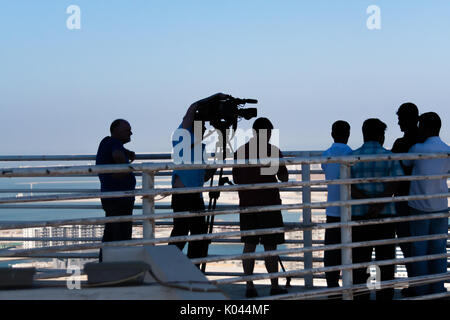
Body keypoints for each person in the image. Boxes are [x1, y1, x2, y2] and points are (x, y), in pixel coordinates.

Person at [232, 117, 289, 298]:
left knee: (249, 246)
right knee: (270, 246)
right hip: (269, 204)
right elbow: (284, 177)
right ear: (268, 133)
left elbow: (237, 179)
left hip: (247, 204)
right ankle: (274, 285)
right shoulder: (272, 151)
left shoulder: (240, 152)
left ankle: (249, 286)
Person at [350, 118, 404, 300]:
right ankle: (383, 295)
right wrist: (379, 203)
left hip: (359, 216)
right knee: (385, 262)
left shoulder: (351, 158)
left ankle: (362, 296)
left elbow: (348, 186)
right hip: (385, 217)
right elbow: (395, 183)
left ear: (364, 134)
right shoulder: (389, 157)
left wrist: (367, 202)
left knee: (360, 262)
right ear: (382, 136)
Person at [170, 93, 223, 264]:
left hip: (195, 195)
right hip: (183, 194)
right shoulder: (182, 135)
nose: (207, 130)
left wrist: (214, 168)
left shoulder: (199, 147)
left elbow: (203, 177)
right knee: (180, 234)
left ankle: (192, 270)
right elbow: (191, 109)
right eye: (204, 127)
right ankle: (168, 268)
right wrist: (215, 97)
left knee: (199, 236)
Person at [403, 112, 450, 296]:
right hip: (440, 206)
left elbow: (406, 164)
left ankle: (421, 288)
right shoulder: (446, 150)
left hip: (419, 206)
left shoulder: (417, 149)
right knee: (438, 248)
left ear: (426, 128)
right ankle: (438, 287)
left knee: (419, 249)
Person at [96, 119, 136, 262]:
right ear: (116, 131)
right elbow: (117, 154)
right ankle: (119, 268)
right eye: (127, 130)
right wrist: (126, 168)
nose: (131, 132)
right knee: (121, 236)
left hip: (111, 197)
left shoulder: (107, 142)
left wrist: (128, 152)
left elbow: (118, 150)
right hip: (119, 198)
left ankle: (105, 266)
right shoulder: (114, 144)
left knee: (111, 234)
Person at [391, 102, 420, 296]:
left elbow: (392, 169)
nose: (399, 122)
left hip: (403, 199)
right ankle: (428, 283)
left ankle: (415, 284)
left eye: (401, 118)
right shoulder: (424, 142)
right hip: (423, 198)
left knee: (407, 244)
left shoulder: (401, 144)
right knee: (424, 243)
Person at [321, 121, 352, 290]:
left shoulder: (326, 154)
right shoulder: (352, 154)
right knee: (350, 251)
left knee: (331, 253)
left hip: (332, 210)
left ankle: (332, 286)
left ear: (332, 134)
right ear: (348, 134)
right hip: (350, 211)